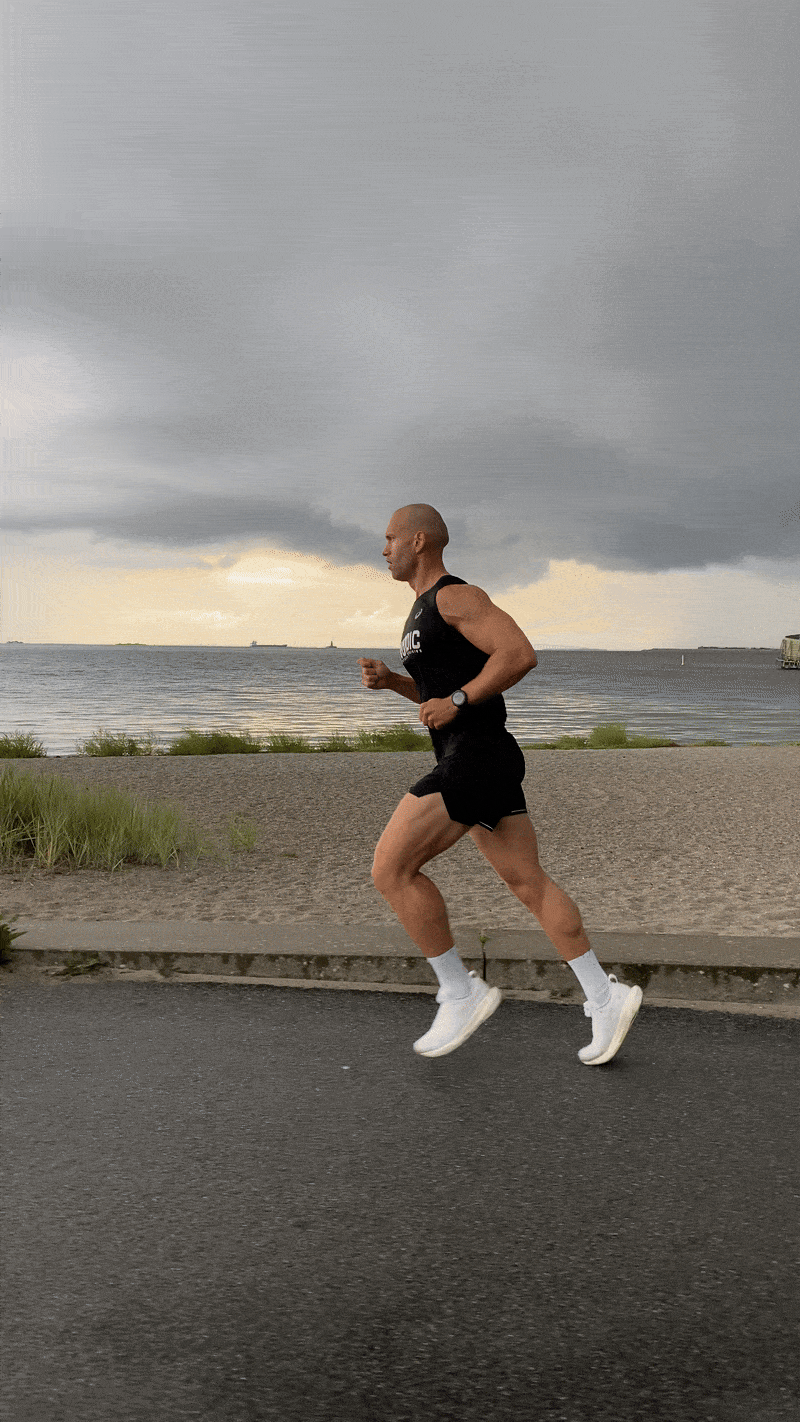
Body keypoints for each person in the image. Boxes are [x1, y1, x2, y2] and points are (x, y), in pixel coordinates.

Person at [358, 503, 643, 1063]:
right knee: (528, 883)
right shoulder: (421, 612)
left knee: (391, 870)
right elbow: (440, 696)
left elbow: (519, 654)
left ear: (419, 541)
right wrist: (396, 684)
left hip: (477, 758)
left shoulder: (454, 596)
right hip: (483, 756)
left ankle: (460, 992)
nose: (383, 548)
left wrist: (460, 700)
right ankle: (605, 996)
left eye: (390, 538)